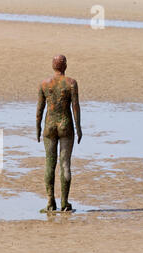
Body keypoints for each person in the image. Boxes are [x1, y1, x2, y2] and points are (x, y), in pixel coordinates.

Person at [36, 55, 82, 211]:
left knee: (49, 164)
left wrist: (37, 127)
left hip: (49, 126)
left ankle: (50, 202)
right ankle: (64, 203)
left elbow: (40, 109)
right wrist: (78, 127)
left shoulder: (44, 84)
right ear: (65, 66)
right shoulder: (71, 83)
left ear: (52, 66)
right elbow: (75, 107)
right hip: (65, 124)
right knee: (65, 164)